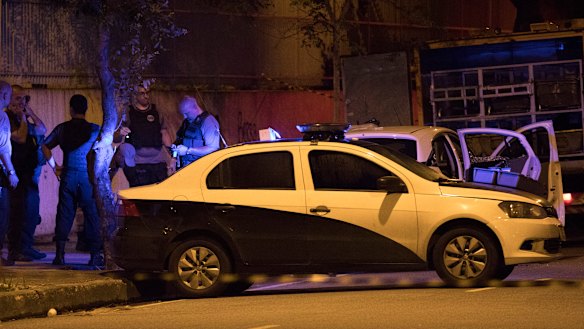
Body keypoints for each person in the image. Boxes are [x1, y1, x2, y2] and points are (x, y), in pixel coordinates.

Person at [42, 94, 103, 266]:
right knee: (91, 215)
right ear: (86, 109)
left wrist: (55, 167)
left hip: (68, 175)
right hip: (86, 177)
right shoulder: (94, 129)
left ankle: (59, 255)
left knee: (64, 214)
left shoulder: (62, 129)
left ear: (71, 109)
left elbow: (45, 145)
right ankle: (94, 255)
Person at [5, 85, 47, 262]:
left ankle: (26, 246)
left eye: (24, 99)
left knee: (30, 212)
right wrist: (22, 116)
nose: (21, 102)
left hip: (29, 174)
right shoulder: (6, 118)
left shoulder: (23, 118)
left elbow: (42, 129)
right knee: (17, 213)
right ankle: (16, 250)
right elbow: (20, 137)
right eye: (17, 98)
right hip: (14, 173)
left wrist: (29, 111)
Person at [112, 85, 172, 187]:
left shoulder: (157, 111)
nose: (146, 96)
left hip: (157, 162)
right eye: (142, 93)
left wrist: (172, 155)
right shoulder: (127, 112)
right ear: (135, 96)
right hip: (138, 163)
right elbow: (117, 137)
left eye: (147, 93)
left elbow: (164, 132)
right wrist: (121, 133)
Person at [171, 95, 221, 168]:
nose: (184, 117)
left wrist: (188, 150)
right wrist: (174, 157)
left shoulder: (209, 122)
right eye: (183, 114)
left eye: (187, 113)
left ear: (195, 107)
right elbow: (179, 141)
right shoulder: (187, 122)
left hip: (202, 168)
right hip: (185, 167)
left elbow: (212, 148)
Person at [0, 81, 19, 266]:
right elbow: (3, 149)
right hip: (0, 172)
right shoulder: (2, 118)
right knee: (2, 214)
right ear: (4, 94)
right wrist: (11, 172)